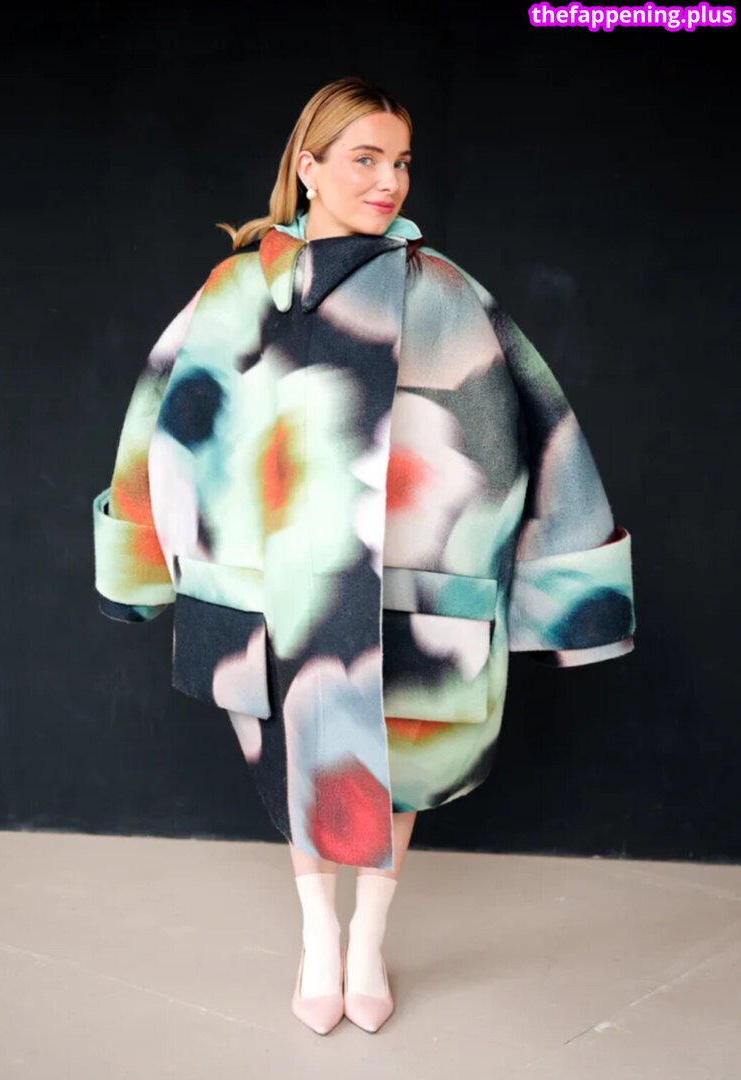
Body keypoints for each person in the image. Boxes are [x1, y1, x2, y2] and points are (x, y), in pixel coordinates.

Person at [93, 76, 635, 1036]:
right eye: (365, 158)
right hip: (272, 594)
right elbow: (161, 425)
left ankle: (367, 941)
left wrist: (558, 580)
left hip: (411, 581)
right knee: (298, 758)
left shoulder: (444, 290)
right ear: (308, 168)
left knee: (400, 764)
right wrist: (145, 554)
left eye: (401, 162)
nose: (389, 181)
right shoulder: (236, 290)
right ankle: (317, 938)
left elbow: (535, 427)